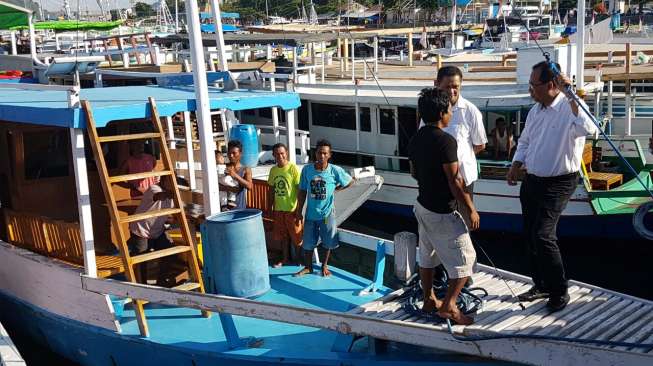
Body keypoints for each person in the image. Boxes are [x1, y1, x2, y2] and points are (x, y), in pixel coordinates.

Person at [507, 61, 597, 312]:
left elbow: (590, 127)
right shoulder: (536, 111)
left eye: (533, 85)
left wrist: (570, 93)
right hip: (533, 180)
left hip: (559, 182)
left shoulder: (570, 109)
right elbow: (525, 141)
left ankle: (559, 290)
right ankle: (541, 283)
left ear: (550, 85)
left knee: (543, 235)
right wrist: (516, 163)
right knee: (529, 234)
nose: (530, 90)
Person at [410, 88, 479, 325]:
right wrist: (470, 208)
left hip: (422, 206)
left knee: (427, 255)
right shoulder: (446, 141)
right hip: (442, 211)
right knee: (466, 260)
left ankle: (429, 298)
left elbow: (414, 173)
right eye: (449, 109)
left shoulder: (416, 138)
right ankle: (449, 306)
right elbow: (455, 181)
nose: (451, 113)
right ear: (442, 113)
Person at [434, 66, 487, 229]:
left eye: (455, 87)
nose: (451, 91)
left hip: (463, 181)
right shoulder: (431, 110)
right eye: (447, 87)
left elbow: (480, 145)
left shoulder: (471, 112)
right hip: (438, 181)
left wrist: (457, 160)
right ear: (436, 84)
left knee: (464, 228)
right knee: (441, 226)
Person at [294, 139, 353, 277]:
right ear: (315, 153)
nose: (322, 156)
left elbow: (350, 181)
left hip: (327, 215)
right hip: (310, 215)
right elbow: (302, 192)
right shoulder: (307, 170)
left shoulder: (335, 170)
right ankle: (308, 267)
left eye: (325, 153)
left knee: (328, 241)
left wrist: (336, 188)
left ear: (329, 155)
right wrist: (298, 213)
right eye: (319, 153)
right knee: (308, 243)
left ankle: (324, 266)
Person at [128, 177, 175, 285]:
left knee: (171, 252)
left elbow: (167, 211)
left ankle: (161, 281)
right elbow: (159, 196)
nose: (173, 183)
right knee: (141, 259)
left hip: (157, 231)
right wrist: (171, 193)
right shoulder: (154, 188)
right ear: (163, 181)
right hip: (141, 229)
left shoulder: (172, 194)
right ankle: (140, 285)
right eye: (170, 180)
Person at [267, 143, 303, 267]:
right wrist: (269, 207)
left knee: (297, 237)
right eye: (277, 154)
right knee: (283, 237)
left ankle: (299, 261)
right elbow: (271, 190)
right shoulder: (273, 170)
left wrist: (299, 211)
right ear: (273, 155)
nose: (280, 156)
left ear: (286, 153)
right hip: (278, 209)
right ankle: (285, 259)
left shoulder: (293, 168)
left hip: (292, 210)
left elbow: (300, 190)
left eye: (282, 153)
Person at [219, 140, 253, 210]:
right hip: (223, 209)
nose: (231, 155)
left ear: (240, 153)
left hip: (239, 209)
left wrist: (235, 175)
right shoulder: (223, 167)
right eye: (229, 153)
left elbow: (250, 186)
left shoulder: (246, 169)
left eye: (234, 153)